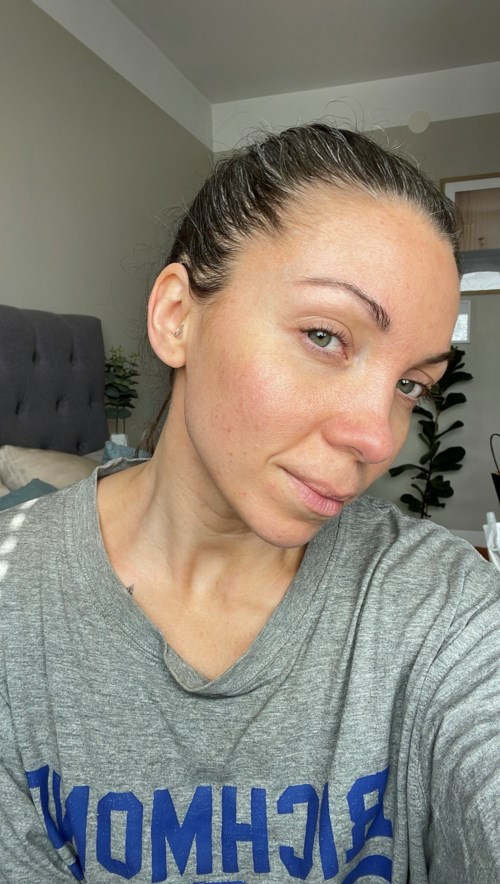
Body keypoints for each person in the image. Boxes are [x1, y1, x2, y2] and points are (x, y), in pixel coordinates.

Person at [1, 123, 499, 883]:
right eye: (325, 335)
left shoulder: (440, 602)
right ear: (178, 316)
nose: (377, 438)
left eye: (410, 385)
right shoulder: (14, 598)